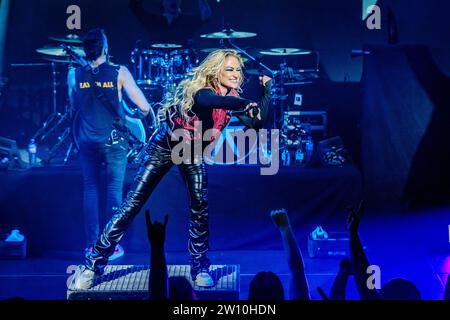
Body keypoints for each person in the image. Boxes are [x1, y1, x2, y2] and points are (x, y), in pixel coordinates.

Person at [72, 49, 272, 289]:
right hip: (165, 146)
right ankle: (92, 265)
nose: (236, 74)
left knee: (200, 207)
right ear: (215, 70)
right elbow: (210, 101)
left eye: (238, 70)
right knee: (131, 205)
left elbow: (258, 123)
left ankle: (200, 267)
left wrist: (266, 92)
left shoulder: (232, 96)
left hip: (193, 152)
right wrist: (245, 103)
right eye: (229, 69)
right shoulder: (201, 91)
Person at [68, 28, 151, 261]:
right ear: (105, 47)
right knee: (114, 189)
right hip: (114, 141)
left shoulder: (74, 74)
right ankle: (110, 246)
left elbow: (73, 106)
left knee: (91, 188)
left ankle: (92, 246)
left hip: (86, 140)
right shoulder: (119, 72)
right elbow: (144, 107)